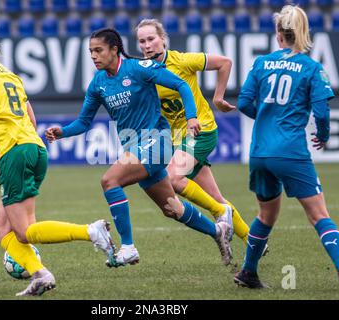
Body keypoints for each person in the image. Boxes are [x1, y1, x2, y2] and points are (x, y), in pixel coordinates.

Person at [45, 28, 233, 267]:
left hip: (158, 141)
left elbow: (182, 86)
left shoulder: (138, 68)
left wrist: (192, 118)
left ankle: (128, 247)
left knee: (109, 180)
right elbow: (83, 122)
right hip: (135, 147)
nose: (93, 56)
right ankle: (218, 231)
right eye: (91, 51)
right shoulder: (97, 84)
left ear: (114, 49)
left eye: (98, 50)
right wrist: (63, 132)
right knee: (171, 207)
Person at [0, 26, 117, 297]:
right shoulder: (10, 75)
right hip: (35, 149)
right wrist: (1, 155)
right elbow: (31, 119)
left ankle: (90, 231)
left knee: (25, 231)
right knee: (1, 230)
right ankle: (41, 274)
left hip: (16, 152)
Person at [233, 5, 339, 291]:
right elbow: (322, 113)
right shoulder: (312, 68)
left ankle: (247, 272)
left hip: (259, 153)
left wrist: (268, 118)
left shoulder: (261, 63)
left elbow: (243, 103)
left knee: (266, 215)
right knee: (319, 214)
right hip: (291, 152)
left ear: (279, 34)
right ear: (303, 33)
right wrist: (324, 135)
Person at [135, 19, 265, 257]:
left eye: (151, 39)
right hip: (178, 140)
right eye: (141, 41)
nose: (146, 45)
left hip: (201, 130)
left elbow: (225, 62)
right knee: (216, 197)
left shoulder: (182, 61)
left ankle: (221, 215)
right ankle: (254, 241)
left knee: (173, 178)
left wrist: (218, 97)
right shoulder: (143, 71)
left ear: (162, 39)